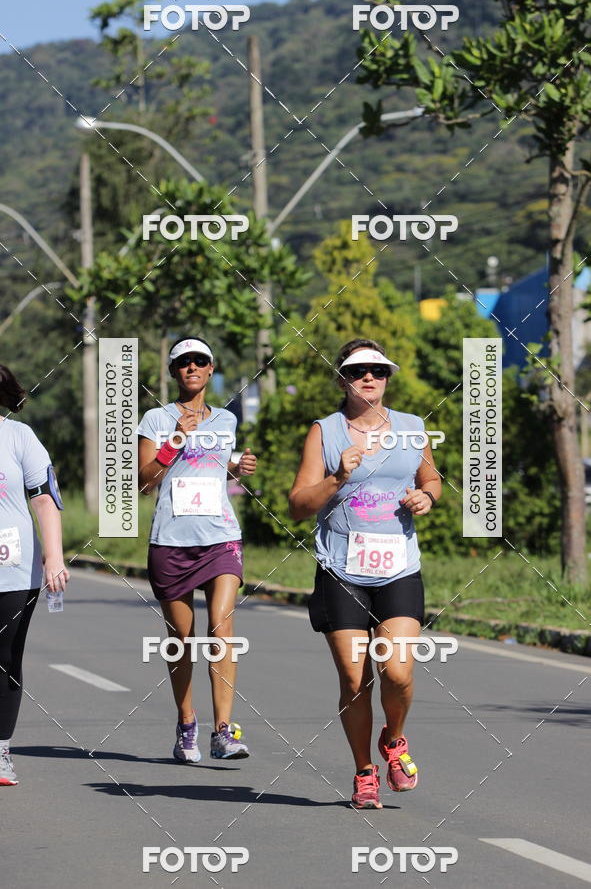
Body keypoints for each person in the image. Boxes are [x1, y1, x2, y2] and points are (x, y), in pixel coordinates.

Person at [289, 339, 441, 809]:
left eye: (377, 370)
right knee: (355, 681)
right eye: (357, 372)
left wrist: (428, 497)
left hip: (398, 567)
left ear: (387, 377)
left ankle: (394, 741)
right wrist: (336, 478)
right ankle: (363, 772)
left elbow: (431, 478)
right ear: (342, 381)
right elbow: (297, 505)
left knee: (396, 671)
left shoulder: (413, 428)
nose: (369, 377)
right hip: (342, 570)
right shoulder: (325, 432)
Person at [137, 336, 256, 763]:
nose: (191, 367)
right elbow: (144, 481)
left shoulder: (225, 419)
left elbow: (213, 464)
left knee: (221, 630)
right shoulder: (155, 418)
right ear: (173, 372)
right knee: (181, 640)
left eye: (199, 361)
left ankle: (223, 730)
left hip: (220, 536)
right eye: (183, 362)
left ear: (210, 369)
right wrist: (174, 442)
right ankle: (187, 722)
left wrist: (236, 466)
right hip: (171, 540)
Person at [0, 365, 70, 786]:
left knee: (5, 660)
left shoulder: (19, 436)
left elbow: (43, 498)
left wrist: (54, 557)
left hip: (12, 569)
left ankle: (1, 750)